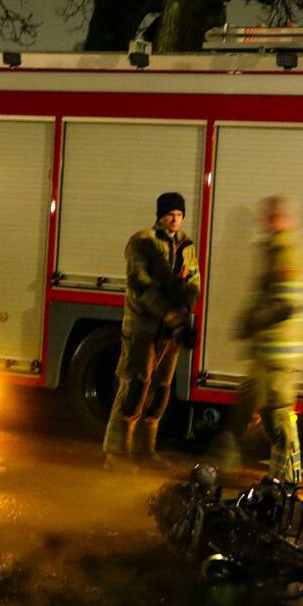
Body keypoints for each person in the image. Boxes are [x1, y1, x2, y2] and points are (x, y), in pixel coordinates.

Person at [210, 195, 303, 489]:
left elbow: (286, 303)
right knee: (255, 408)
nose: (264, 221)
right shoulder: (276, 248)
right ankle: (248, 465)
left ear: (281, 217)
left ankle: (288, 480)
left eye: (269, 216)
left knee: (278, 416)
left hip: (281, 353)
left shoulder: (288, 251)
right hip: (269, 351)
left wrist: (253, 320)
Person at [103, 192, 200, 470]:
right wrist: (169, 314)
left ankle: (145, 452)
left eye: (180, 215)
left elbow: (193, 280)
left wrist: (183, 310)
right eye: (170, 214)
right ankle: (116, 454)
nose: (175, 220)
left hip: (171, 332)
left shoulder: (186, 245)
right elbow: (139, 285)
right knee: (134, 387)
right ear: (160, 215)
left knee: (159, 391)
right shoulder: (142, 241)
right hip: (143, 329)